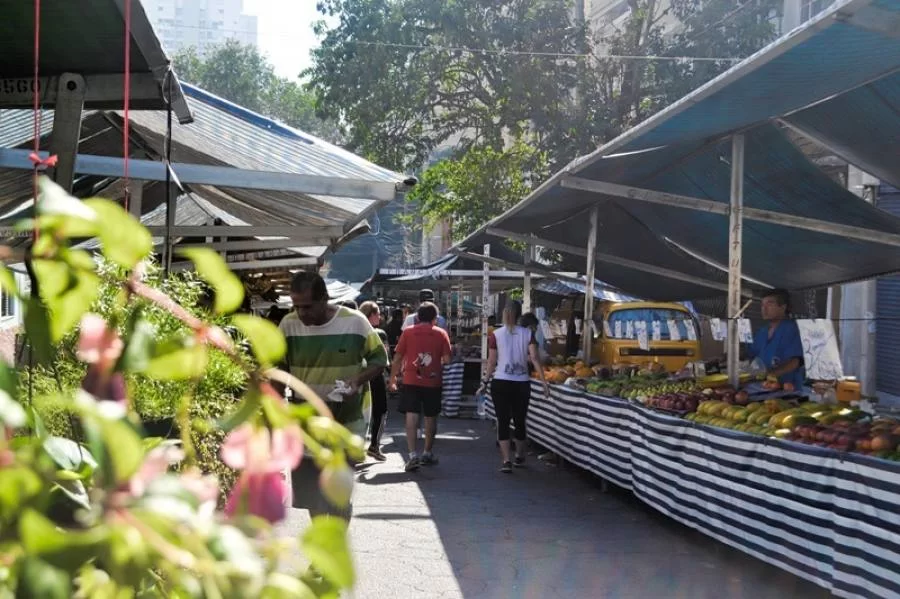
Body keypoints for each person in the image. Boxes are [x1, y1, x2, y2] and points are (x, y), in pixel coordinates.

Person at [278, 272, 389, 519]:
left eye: (307, 306)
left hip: (346, 425)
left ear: (324, 299)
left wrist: (356, 381)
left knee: (338, 496)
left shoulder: (355, 322)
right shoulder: (288, 324)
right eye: (296, 306)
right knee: (311, 496)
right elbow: (279, 367)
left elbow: (379, 360)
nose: (301, 313)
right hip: (305, 426)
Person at [482, 300, 549, 474]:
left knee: (502, 421)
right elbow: (534, 359)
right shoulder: (528, 334)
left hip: (501, 382)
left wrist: (485, 382)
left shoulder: (495, 334)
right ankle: (519, 456)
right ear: (520, 314)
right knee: (520, 420)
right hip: (521, 383)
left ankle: (506, 460)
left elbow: (491, 362)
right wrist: (543, 383)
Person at [388, 302, 452, 472]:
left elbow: (397, 357)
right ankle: (427, 452)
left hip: (410, 379)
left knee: (411, 413)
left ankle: (412, 454)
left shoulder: (408, 332)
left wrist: (392, 378)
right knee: (431, 415)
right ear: (435, 319)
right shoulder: (441, 334)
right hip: (433, 381)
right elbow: (447, 360)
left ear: (417, 317)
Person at [746, 289, 805, 391]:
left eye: (769, 304)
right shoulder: (762, 332)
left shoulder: (793, 329)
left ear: (783, 307)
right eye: (762, 305)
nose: (764, 309)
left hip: (788, 391)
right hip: (763, 388)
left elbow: (796, 360)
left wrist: (772, 373)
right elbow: (751, 354)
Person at [359, 301, 390, 461]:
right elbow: (385, 358)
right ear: (371, 315)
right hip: (375, 376)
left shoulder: (354, 331)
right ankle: (374, 446)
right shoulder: (379, 333)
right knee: (381, 410)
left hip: (357, 376)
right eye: (377, 314)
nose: (380, 317)